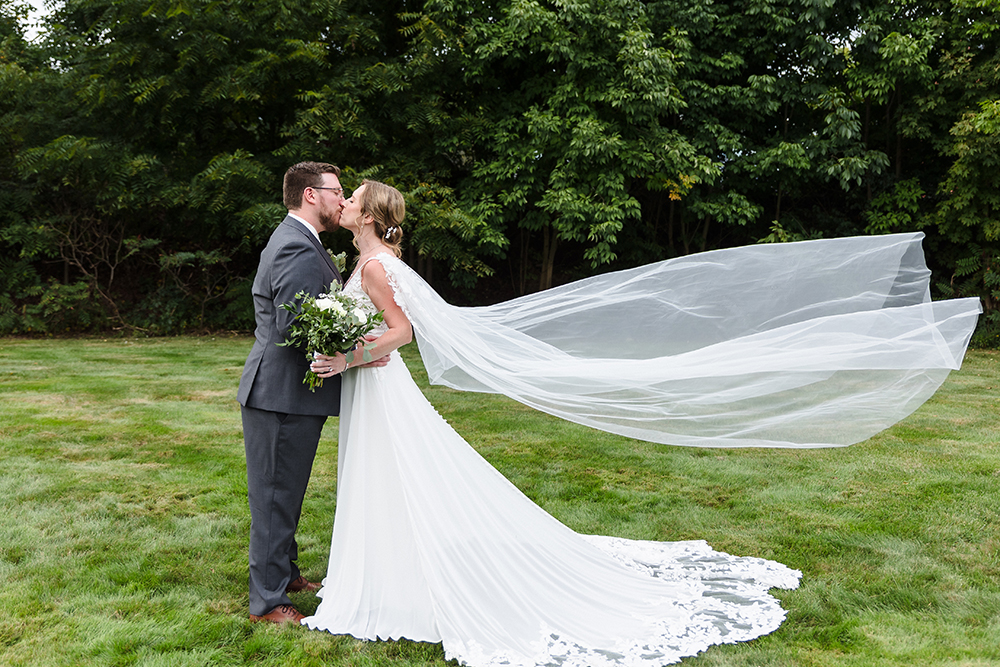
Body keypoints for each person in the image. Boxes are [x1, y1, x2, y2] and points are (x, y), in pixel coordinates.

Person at [299, 180, 808, 666]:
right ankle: (383, 566)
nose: (342, 202)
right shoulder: (367, 260)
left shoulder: (374, 268)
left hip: (380, 390)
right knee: (385, 477)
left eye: (353, 199)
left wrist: (348, 358)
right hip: (374, 387)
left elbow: (402, 332)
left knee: (394, 473)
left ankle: (391, 576)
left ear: (367, 215)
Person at [237, 162, 384, 624]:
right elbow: (294, 325)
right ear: (309, 195)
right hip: (280, 395)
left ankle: (286, 573)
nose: (341, 200)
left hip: (290, 395)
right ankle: (266, 602)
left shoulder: (304, 241)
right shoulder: (296, 247)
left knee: (286, 491)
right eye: (336, 191)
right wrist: (354, 346)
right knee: (275, 495)